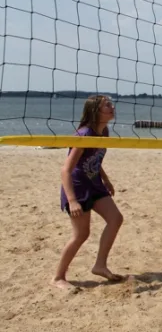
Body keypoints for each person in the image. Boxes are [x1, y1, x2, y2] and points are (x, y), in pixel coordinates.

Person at [53, 95, 126, 290]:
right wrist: (72, 200)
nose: (112, 107)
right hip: (77, 187)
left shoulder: (105, 131)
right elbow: (66, 170)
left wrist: (106, 178)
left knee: (116, 219)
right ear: (95, 111)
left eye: (111, 104)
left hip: (95, 184)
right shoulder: (84, 134)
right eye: (107, 105)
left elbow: (95, 158)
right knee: (81, 234)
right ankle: (58, 277)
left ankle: (100, 265)